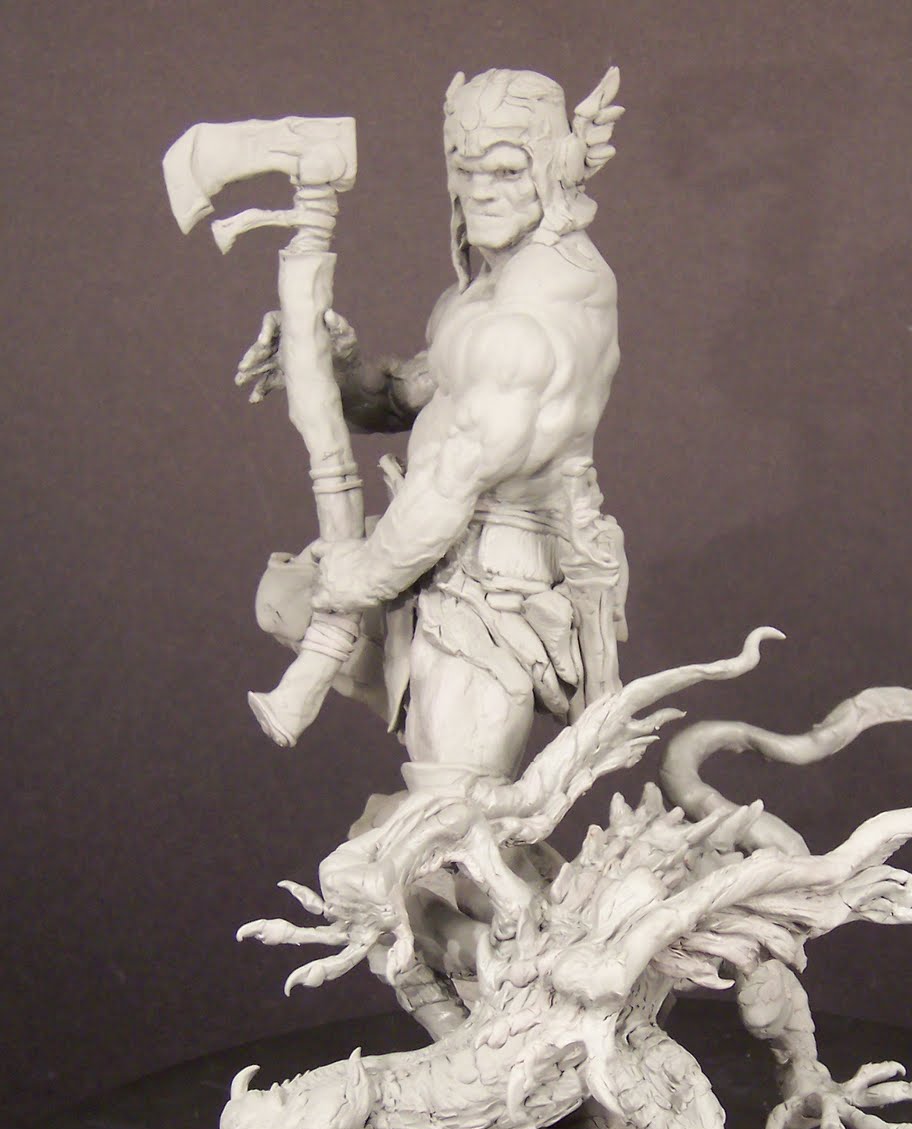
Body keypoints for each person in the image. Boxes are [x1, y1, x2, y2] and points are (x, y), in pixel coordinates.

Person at [238, 67, 627, 791]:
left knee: (453, 810)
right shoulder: (479, 292)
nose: (480, 190)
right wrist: (326, 365)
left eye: (506, 170)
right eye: (465, 169)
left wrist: (365, 574)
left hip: (499, 584)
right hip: (431, 548)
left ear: (556, 168)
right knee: (284, 598)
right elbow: (405, 398)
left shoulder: (544, 304)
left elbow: (458, 466)